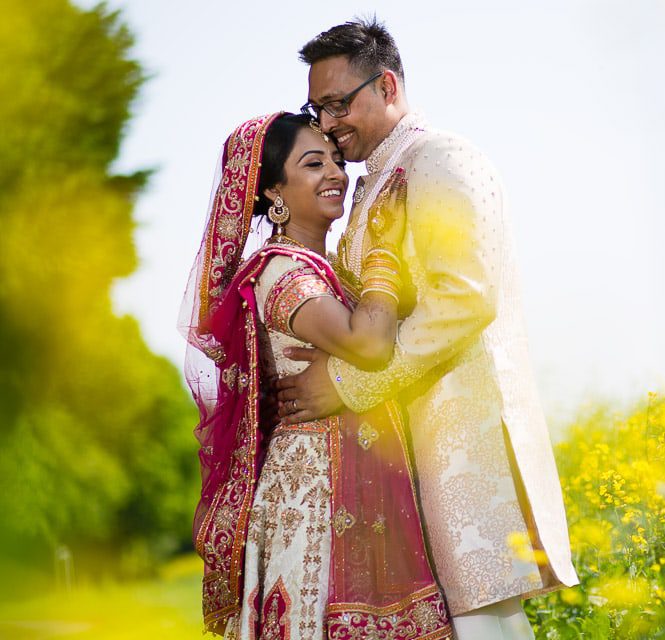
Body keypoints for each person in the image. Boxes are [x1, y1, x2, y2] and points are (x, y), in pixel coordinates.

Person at [276, 18, 579, 639]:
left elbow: (464, 298)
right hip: (405, 460)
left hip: (465, 454)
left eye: (339, 104)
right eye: (318, 107)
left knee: (486, 629)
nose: (329, 124)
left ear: (387, 86)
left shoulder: (440, 159)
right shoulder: (375, 182)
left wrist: (350, 386)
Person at [180, 112, 453, 640]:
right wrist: (383, 253)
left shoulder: (325, 270)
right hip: (314, 493)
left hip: (352, 480)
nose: (336, 173)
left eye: (334, 159)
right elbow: (370, 345)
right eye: (312, 163)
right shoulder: (282, 270)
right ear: (274, 193)